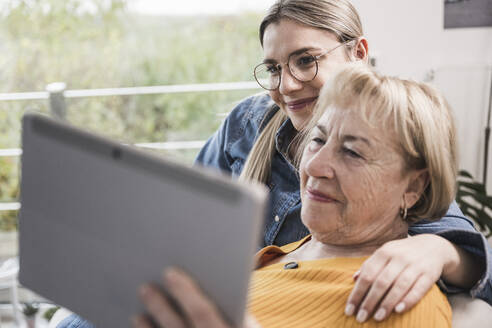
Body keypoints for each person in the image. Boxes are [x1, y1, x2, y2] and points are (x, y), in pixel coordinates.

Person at [57, 0, 492, 327]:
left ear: (358, 52)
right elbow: (187, 209)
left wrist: (438, 249)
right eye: (273, 67)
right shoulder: (249, 122)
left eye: (306, 60)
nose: (286, 86)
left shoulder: (396, 149)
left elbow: (459, 242)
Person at [133, 64, 463, 327]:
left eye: (352, 152)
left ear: (414, 187)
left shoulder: (398, 300)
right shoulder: (286, 253)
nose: (315, 165)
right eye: (317, 141)